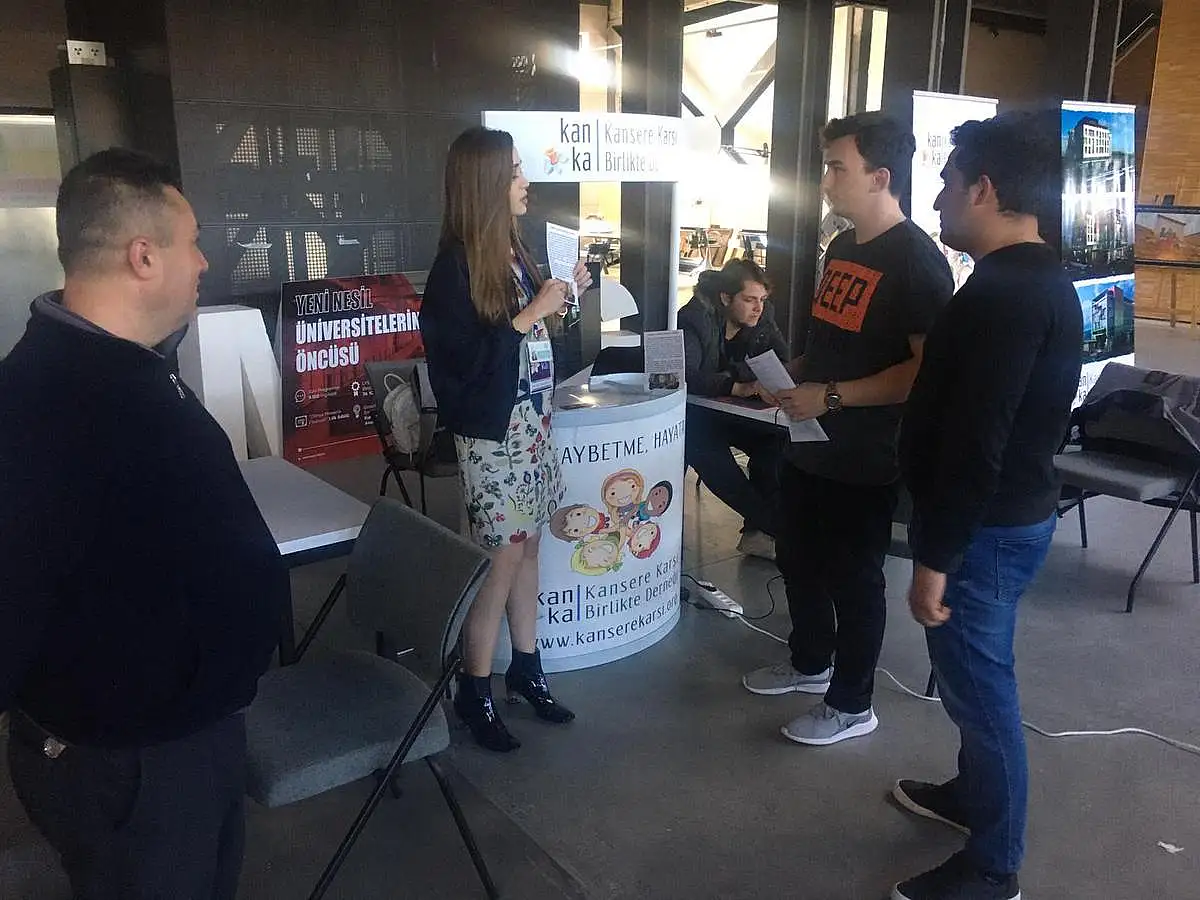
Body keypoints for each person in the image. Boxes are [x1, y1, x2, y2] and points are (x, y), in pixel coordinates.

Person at [0, 149, 289, 899]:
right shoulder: (45, 406)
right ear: (143, 256)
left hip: (182, 739)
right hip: (128, 767)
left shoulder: (125, 369)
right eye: (192, 241)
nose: (203, 261)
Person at [890, 113, 1082, 900]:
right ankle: (973, 797)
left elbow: (979, 441)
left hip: (987, 532)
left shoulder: (1008, 294)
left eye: (947, 181)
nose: (937, 196)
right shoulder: (1032, 279)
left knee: (982, 693)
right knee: (970, 681)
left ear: (985, 189)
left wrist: (936, 556)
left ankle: (995, 866)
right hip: (1003, 519)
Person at [742, 112, 954, 745]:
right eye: (827, 166)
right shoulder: (841, 247)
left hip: (868, 452)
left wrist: (831, 396)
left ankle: (853, 702)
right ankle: (810, 662)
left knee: (854, 577)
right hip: (810, 438)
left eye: (838, 168)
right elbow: (832, 342)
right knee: (797, 556)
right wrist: (791, 376)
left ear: (880, 176)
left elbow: (925, 371)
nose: (827, 180)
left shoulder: (916, 261)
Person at [420, 126, 591, 753]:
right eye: (515, 171)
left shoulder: (512, 251)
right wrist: (529, 315)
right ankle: (476, 686)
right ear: (487, 182)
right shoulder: (454, 268)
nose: (526, 182)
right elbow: (461, 367)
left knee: (529, 549)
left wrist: (561, 304)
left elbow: (531, 343)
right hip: (494, 439)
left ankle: (526, 666)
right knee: (500, 561)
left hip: (533, 428)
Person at [678, 258, 788, 561]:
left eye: (762, 299)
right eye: (750, 300)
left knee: (775, 443)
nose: (758, 308)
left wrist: (735, 378)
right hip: (694, 414)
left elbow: (781, 359)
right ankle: (775, 528)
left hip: (735, 411)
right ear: (726, 298)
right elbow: (686, 375)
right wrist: (739, 385)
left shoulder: (762, 316)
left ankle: (759, 534)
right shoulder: (694, 317)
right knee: (714, 460)